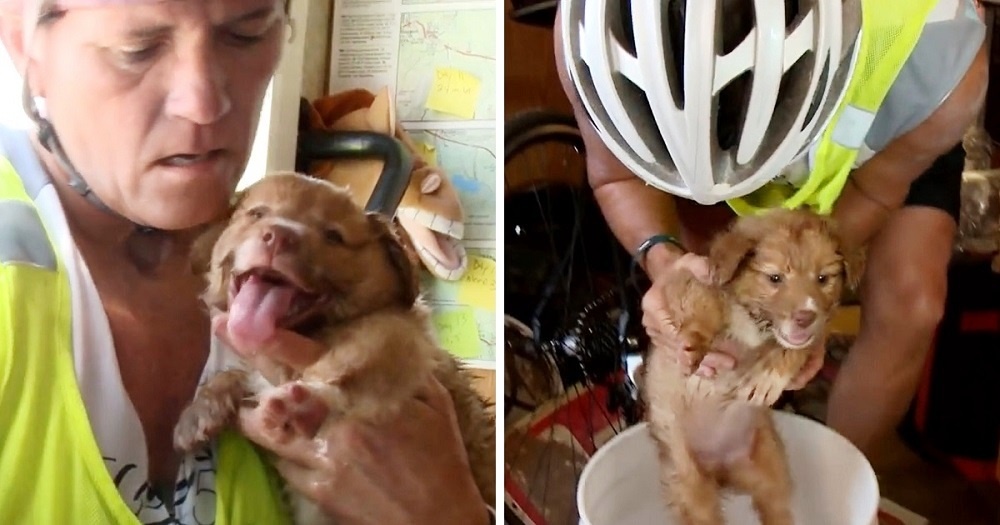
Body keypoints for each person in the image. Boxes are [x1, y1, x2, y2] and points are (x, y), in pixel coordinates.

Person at [0, 0, 492, 523]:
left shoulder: (334, 301)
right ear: (23, 42)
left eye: (246, 33)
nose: (204, 103)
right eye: (137, 49)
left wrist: (453, 511)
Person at [554, 0, 988, 463]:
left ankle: (835, 478)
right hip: (718, 153)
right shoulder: (586, 39)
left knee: (911, 303)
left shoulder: (937, 51)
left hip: (885, 130)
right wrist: (665, 260)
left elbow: (876, 192)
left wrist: (813, 293)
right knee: (717, 315)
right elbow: (617, 177)